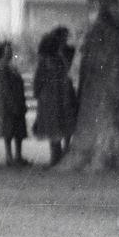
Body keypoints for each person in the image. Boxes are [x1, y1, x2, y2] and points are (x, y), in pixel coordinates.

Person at [32, 27, 78, 165]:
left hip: (49, 98)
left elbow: (38, 79)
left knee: (53, 129)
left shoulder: (46, 61)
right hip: (58, 96)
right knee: (58, 127)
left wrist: (38, 92)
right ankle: (57, 156)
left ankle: (55, 157)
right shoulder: (60, 59)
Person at [0, 41, 30, 165]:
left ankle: (18, 155)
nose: (10, 52)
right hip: (8, 104)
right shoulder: (1, 69)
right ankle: (9, 156)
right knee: (8, 130)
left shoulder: (12, 67)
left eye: (10, 50)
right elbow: (4, 89)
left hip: (18, 102)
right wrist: (11, 104)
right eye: (7, 50)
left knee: (19, 130)